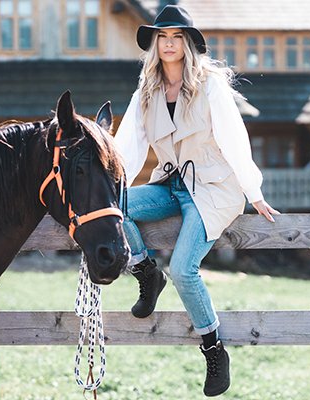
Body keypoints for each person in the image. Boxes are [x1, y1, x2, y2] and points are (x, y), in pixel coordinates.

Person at [113, 5, 280, 397]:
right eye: (162, 37)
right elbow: (128, 148)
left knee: (185, 270)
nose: (169, 44)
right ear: (155, 45)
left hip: (213, 187)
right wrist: (111, 184)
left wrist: (253, 192)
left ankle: (214, 348)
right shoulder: (147, 91)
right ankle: (145, 273)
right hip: (171, 184)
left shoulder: (210, 85)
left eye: (176, 37)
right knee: (115, 207)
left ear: (188, 44)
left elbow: (234, 139)